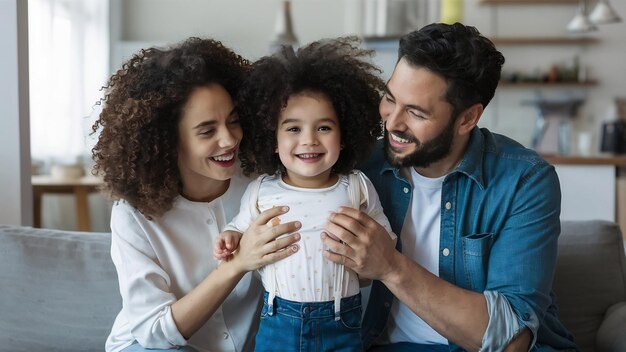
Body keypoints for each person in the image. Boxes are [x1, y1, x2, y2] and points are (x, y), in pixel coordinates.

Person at [321, 23, 578, 351]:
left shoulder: (525, 180)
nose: (392, 123)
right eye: (389, 99)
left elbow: (511, 339)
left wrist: (389, 265)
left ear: (467, 119)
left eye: (416, 112)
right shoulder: (360, 166)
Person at [91, 37, 301, 352]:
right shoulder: (133, 214)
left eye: (233, 121)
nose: (229, 139)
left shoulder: (264, 186)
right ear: (166, 140)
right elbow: (154, 333)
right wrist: (237, 264)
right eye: (207, 131)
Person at [212, 37, 397, 351]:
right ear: (272, 139)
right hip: (278, 319)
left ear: (345, 135)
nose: (309, 140)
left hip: (343, 320)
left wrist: (368, 258)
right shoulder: (261, 191)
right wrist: (230, 237)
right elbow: (240, 227)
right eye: (293, 129)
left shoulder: (357, 186)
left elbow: (384, 240)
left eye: (324, 128)